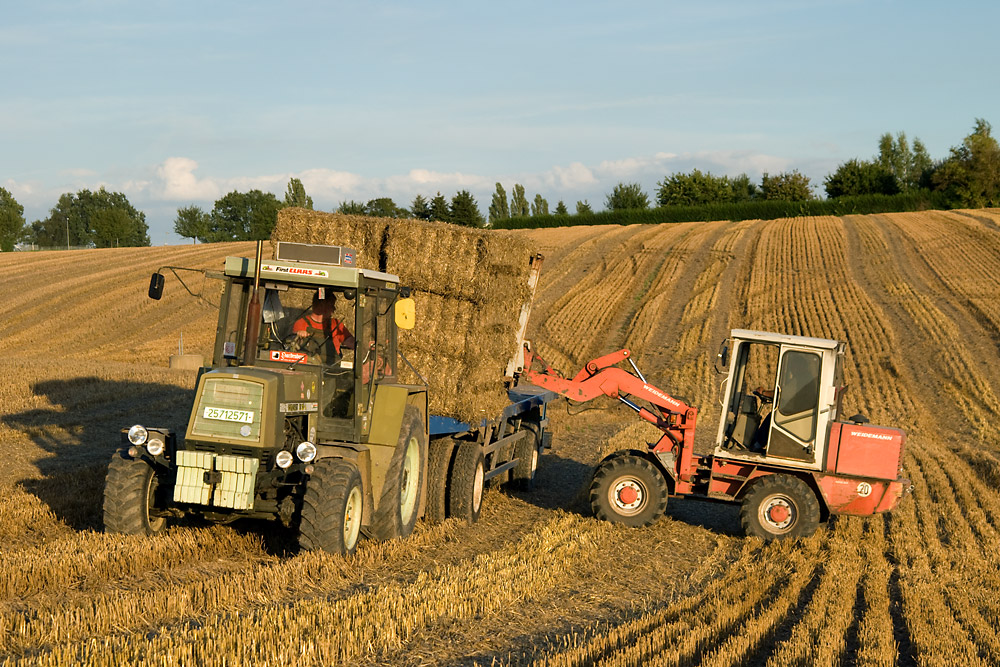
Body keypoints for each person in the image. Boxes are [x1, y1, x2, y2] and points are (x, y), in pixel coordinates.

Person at [292, 292, 355, 362]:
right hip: (309, 367)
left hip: (332, 369)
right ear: (322, 305)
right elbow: (294, 348)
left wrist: (359, 345)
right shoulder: (301, 323)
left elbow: (350, 341)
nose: (334, 309)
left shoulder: (336, 324)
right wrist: (300, 334)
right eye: (332, 305)